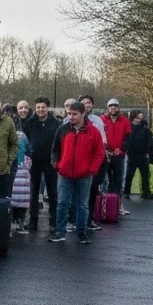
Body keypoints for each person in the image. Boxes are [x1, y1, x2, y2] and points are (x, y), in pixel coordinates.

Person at [50, 101, 104, 244]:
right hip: (64, 173)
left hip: (85, 175)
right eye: (69, 114)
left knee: (82, 205)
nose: (71, 117)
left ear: (83, 114)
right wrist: (57, 165)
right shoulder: (62, 130)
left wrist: (92, 169)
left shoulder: (93, 132)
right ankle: (60, 232)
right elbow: (55, 149)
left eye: (74, 114)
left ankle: (82, 233)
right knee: (62, 203)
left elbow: (99, 153)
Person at [24, 97, 60, 232]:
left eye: (43, 107)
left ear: (48, 108)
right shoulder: (30, 123)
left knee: (52, 193)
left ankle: (53, 222)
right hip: (35, 161)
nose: (40, 110)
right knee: (33, 192)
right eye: (38, 107)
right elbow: (26, 140)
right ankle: (33, 221)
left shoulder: (56, 124)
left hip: (50, 162)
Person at [79, 94, 108, 232]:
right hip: (77, 162)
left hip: (93, 162)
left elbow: (103, 142)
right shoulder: (71, 119)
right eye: (83, 102)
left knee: (91, 192)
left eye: (89, 102)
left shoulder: (97, 121)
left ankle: (88, 221)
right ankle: (75, 221)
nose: (86, 104)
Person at [101, 98, 132, 215]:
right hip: (106, 155)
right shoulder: (102, 119)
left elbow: (129, 137)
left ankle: (118, 205)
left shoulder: (125, 121)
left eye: (115, 106)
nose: (113, 108)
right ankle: (107, 205)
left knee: (118, 180)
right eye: (110, 106)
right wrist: (106, 150)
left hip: (119, 155)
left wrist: (122, 149)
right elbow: (100, 135)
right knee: (106, 181)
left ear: (118, 108)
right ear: (107, 108)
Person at [123, 110, 153, 199]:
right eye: (137, 117)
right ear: (133, 118)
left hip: (142, 154)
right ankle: (126, 192)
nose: (139, 120)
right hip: (132, 154)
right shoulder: (128, 128)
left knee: (145, 175)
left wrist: (149, 150)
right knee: (129, 175)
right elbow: (125, 140)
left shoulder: (145, 129)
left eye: (141, 118)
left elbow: (150, 141)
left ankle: (146, 192)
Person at [11, 132, 32, 234]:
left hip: (13, 190)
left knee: (13, 208)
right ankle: (20, 224)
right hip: (23, 192)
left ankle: (13, 223)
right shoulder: (27, 160)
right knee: (21, 209)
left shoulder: (9, 158)